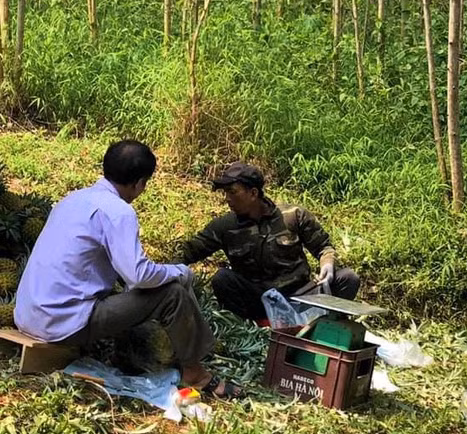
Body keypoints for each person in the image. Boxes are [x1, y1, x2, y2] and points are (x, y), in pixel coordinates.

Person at [14, 140, 243, 399]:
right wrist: (179, 271)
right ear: (140, 183)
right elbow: (139, 275)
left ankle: (129, 353)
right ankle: (197, 374)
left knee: (130, 288)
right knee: (172, 293)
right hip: (62, 324)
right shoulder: (118, 212)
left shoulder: (73, 199)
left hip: (27, 314)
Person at [176, 162, 360, 323]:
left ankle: (320, 324)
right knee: (222, 279)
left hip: (303, 295)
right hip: (260, 301)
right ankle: (261, 327)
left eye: (233, 192)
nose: (227, 199)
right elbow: (188, 252)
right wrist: (157, 273)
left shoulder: (293, 216)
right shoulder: (224, 227)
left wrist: (327, 264)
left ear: (253, 193)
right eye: (225, 193)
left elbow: (324, 247)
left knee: (348, 278)